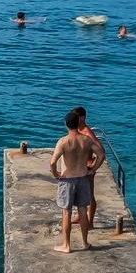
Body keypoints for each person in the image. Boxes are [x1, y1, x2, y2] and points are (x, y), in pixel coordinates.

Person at [49, 110, 104, 253]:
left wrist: (56, 175)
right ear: (78, 123)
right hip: (83, 178)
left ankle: (66, 245)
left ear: (66, 124)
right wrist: (92, 170)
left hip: (68, 180)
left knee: (66, 212)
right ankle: (85, 243)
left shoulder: (63, 141)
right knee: (82, 211)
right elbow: (101, 155)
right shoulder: (87, 140)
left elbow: (52, 163)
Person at [70, 106, 103, 225]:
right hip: (78, 167)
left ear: (82, 118)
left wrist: (93, 168)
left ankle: (90, 222)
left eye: (76, 117)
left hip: (87, 167)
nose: (73, 119)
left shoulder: (88, 133)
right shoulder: (76, 130)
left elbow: (101, 151)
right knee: (79, 194)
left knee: (89, 195)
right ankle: (80, 216)